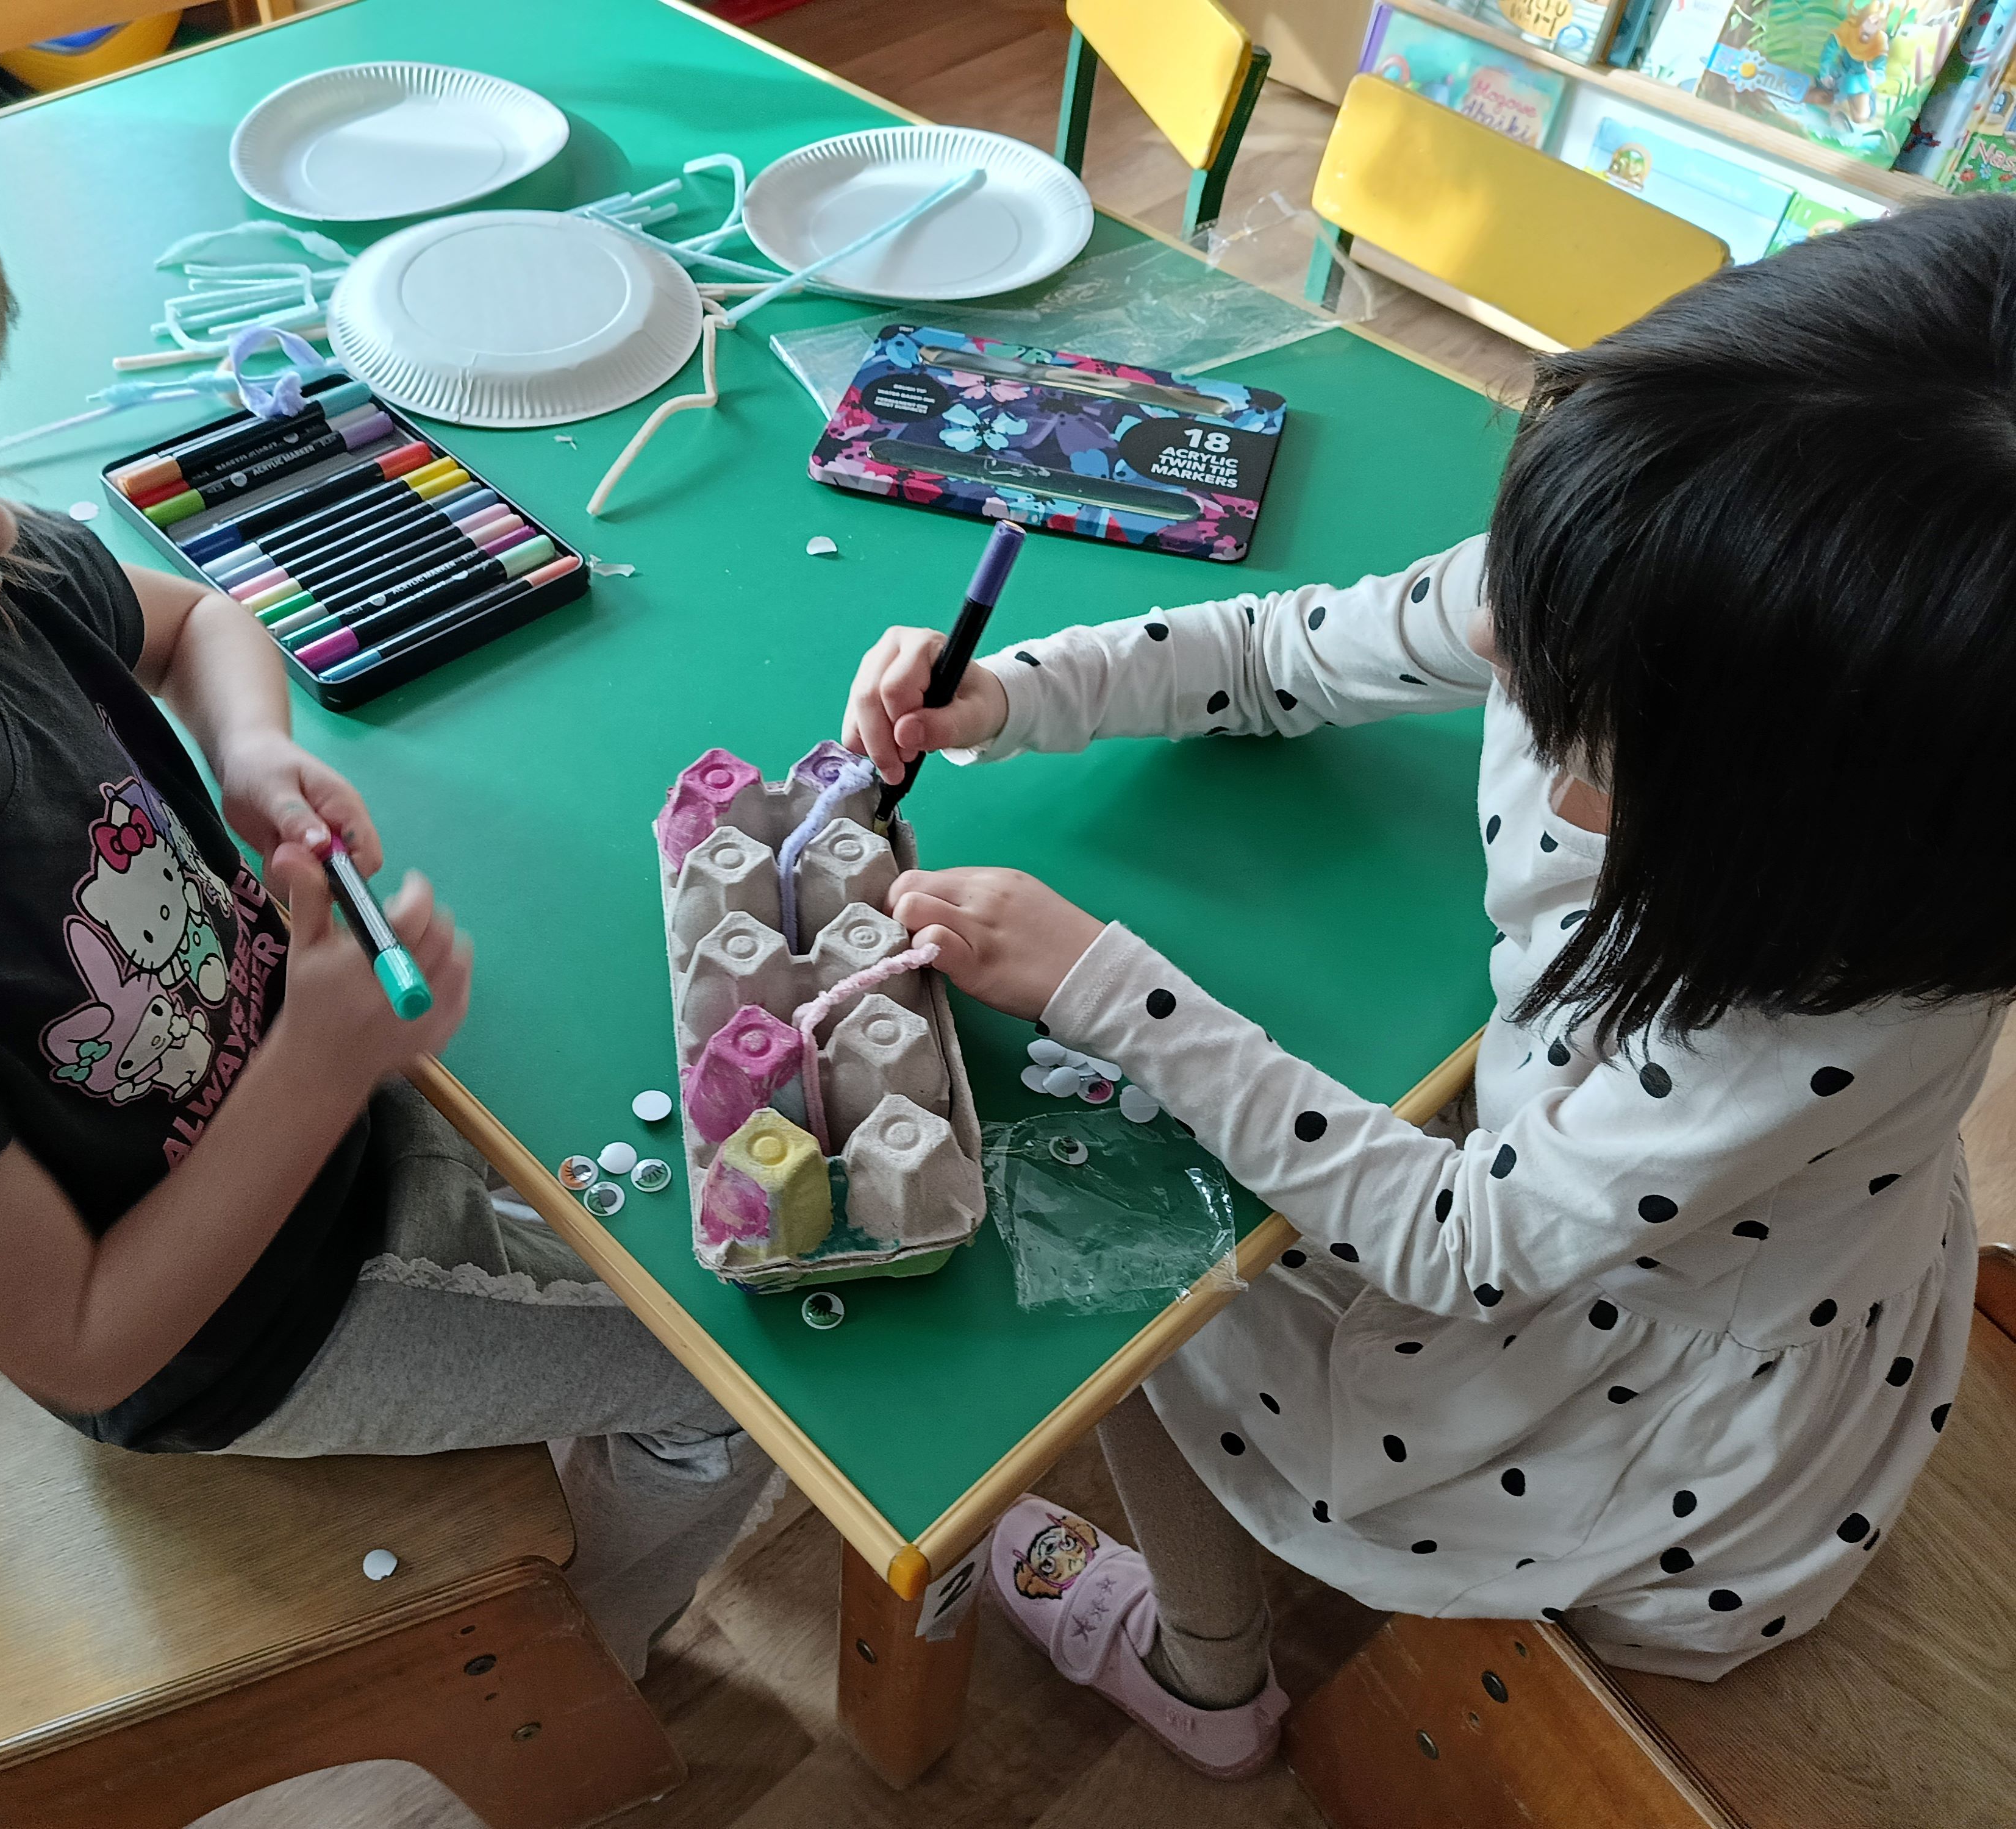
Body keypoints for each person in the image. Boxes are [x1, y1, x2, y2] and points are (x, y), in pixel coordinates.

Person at [0, 0, 770, 1678]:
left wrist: (255, 754)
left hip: (336, 1106)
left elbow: (200, 619)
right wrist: (319, 1063)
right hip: (262, 1327)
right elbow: (89, 1343)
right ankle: (604, 1655)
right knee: (731, 1389)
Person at [842, 198, 2015, 1775]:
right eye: (1530, 646)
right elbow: (1287, 650)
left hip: (1641, 1406)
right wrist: (1017, 692)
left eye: (1611, 772)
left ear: (1827, 853)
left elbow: (1471, 1248)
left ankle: (1206, 1681)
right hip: (1638, 1203)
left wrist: (1107, 988)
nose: (1522, 708)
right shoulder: (1638, 593)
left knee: (1129, 1292)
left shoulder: (1803, 1023)